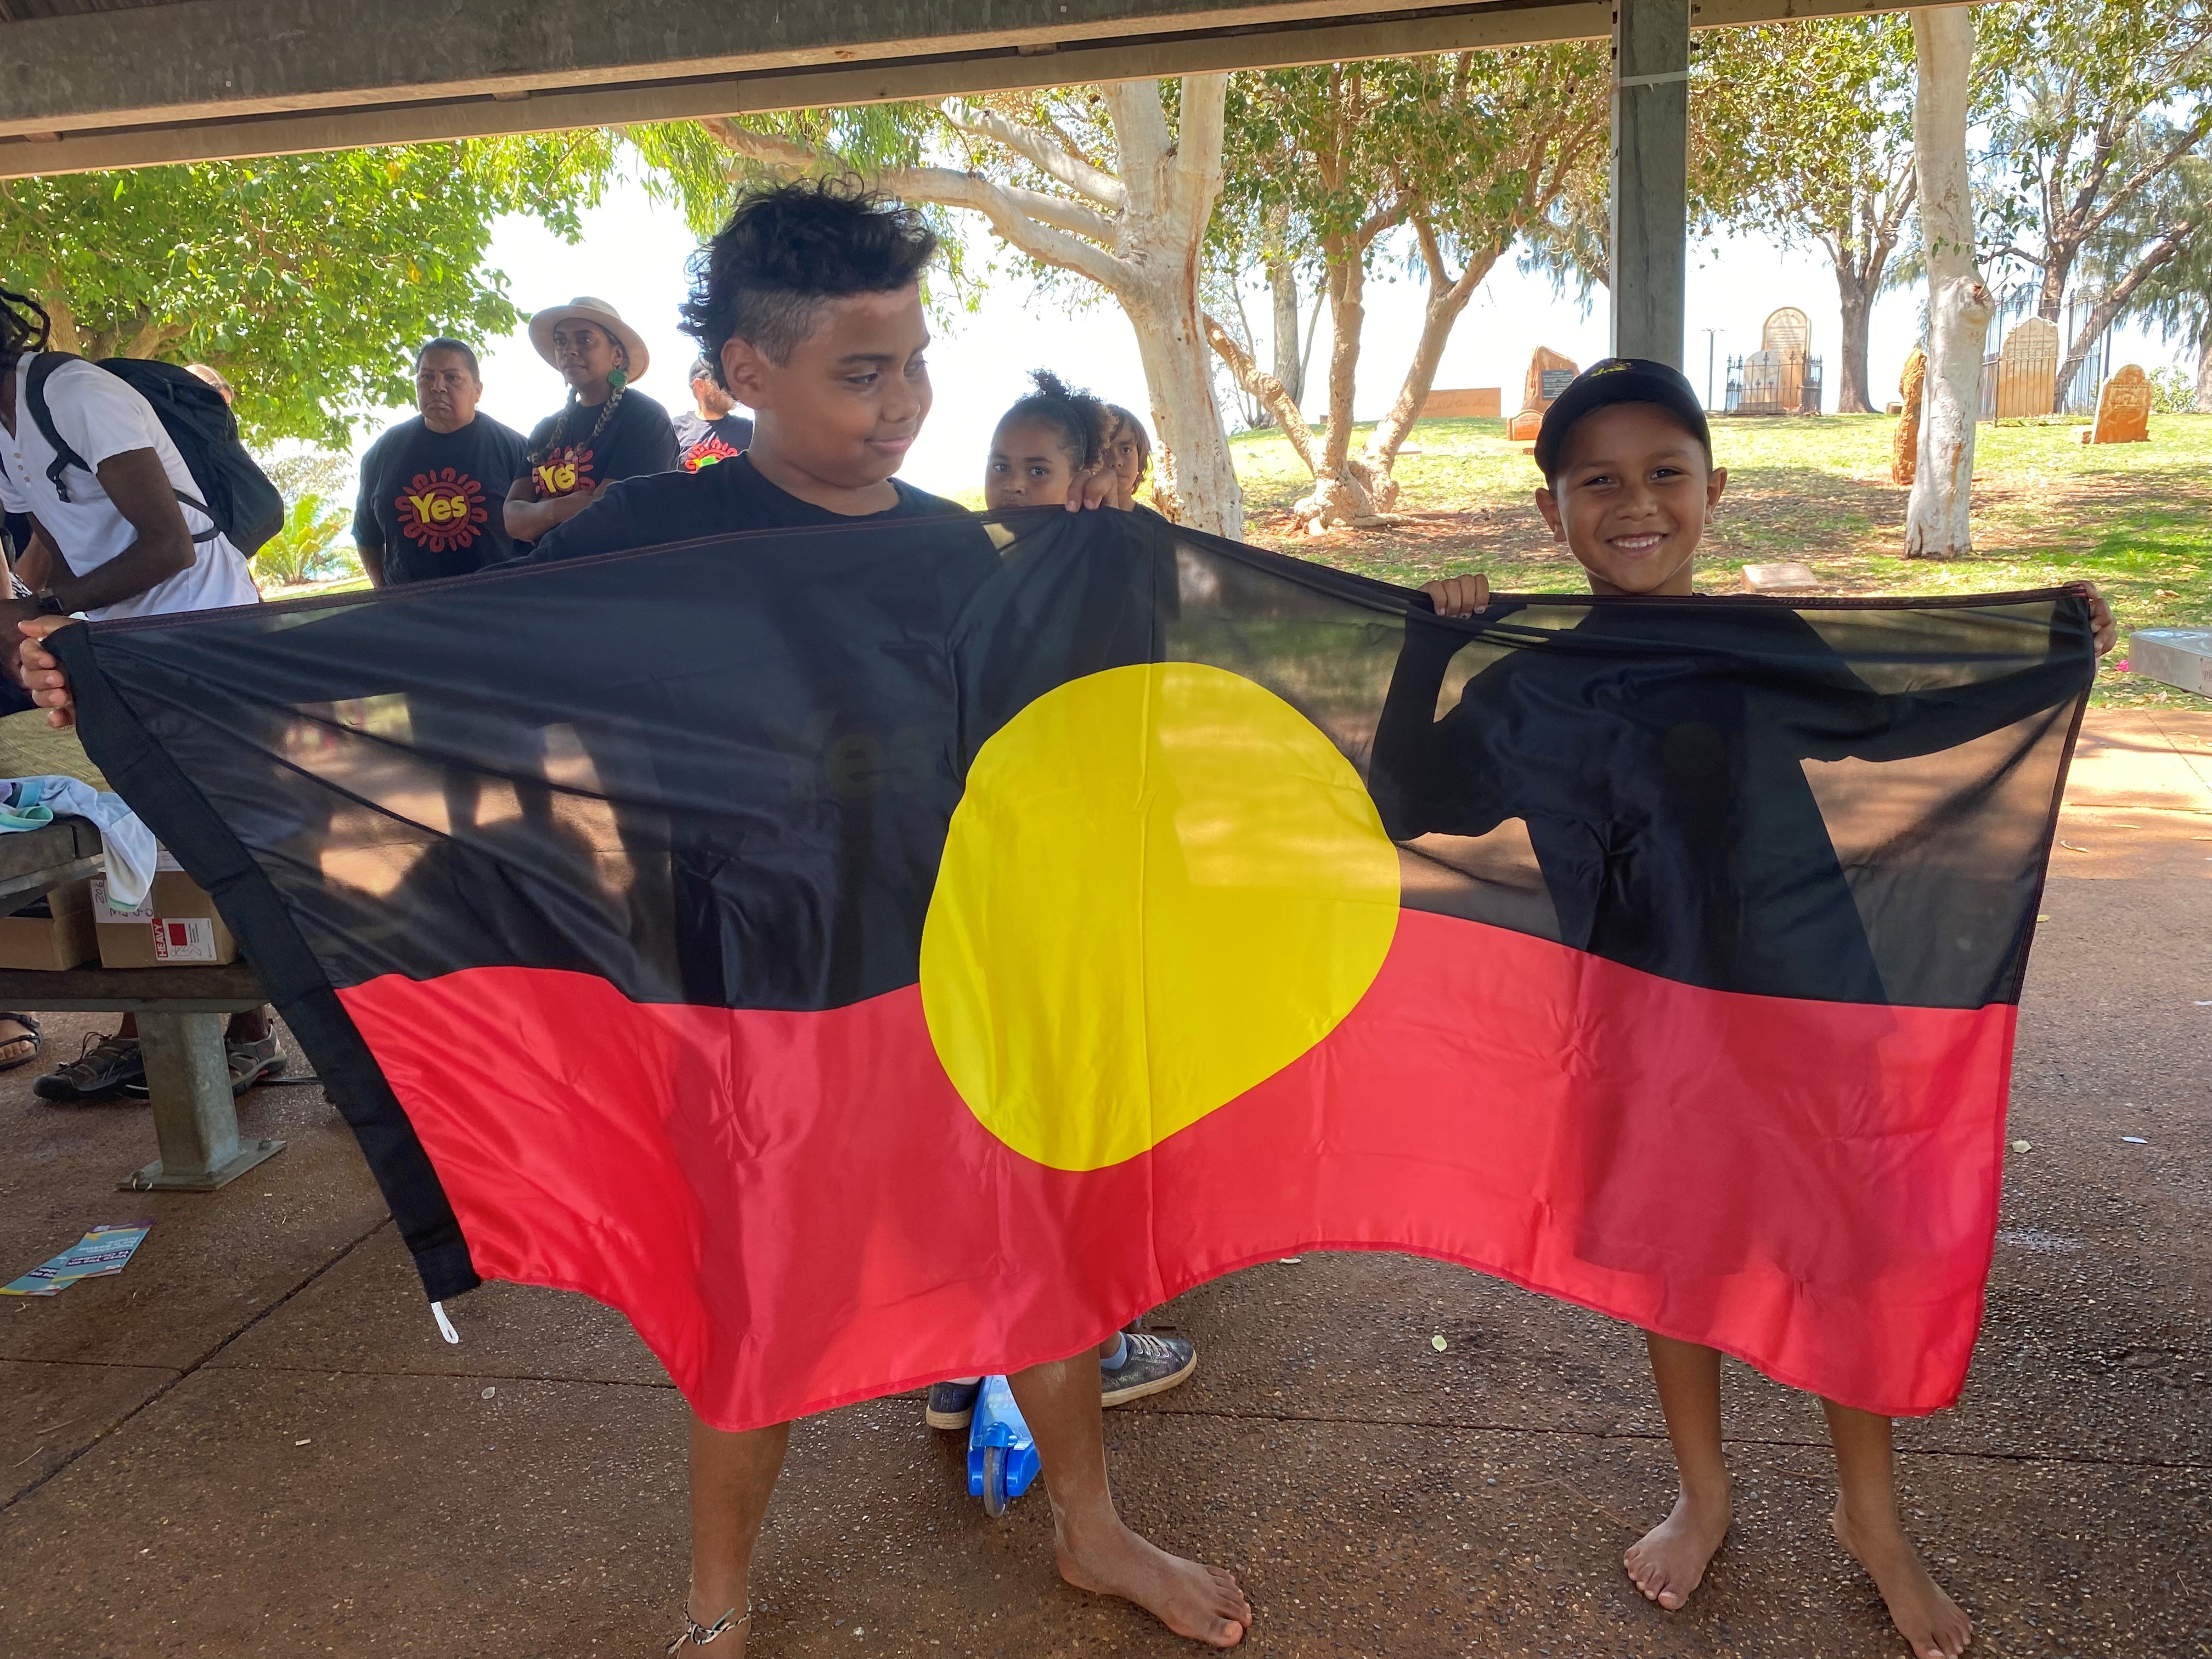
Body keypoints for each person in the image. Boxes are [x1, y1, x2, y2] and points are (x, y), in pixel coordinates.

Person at [513, 182, 1249, 1652]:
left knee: (1040, 1262)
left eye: (916, 360)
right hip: (759, 1006)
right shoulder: (646, 536)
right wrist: (121, 685)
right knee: (759, 1313)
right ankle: (718, 1603)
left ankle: (1092, 1532)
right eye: (863, 372)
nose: (906, 401)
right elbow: (406, 663)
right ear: (741, 374)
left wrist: (1107, 576)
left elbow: (1067, 741)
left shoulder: (954, 553)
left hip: (962, 981)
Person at [1389, 358, 2117, 1659]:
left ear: (1714, 491)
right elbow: (1410, 801)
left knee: (1850, 1250)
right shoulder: (1532, 684)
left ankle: (1871, 1516)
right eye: (1596, 481)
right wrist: (1426, 647)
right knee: (1677, 1258)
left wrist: (2044, 649)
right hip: (1643, 1026)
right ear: (1551, 511)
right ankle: (1703, 1493)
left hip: (1809, 1004)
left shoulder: (1753, 644)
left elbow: (1888, 725)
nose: (1635, 503)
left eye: (1665, 472)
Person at [0, 285, 283, 1101]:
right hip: (125, 642)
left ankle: (252, 1031)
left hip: (200, 631)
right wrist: (22, 594)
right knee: (162, 832)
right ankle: (159, 1031)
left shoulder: (79, 394)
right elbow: (53, 522)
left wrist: (47, 610)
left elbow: (168, 548)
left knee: (224, 834)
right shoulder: (9, 425)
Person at [503, 297, 678, 549]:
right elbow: (512, 520)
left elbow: (612, 515)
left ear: (617, 355)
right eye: (561, 341)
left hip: (615, 580)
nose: (569, 349)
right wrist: (561, 508)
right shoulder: (546, 430)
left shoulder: (645, 418)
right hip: (546, 579)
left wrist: (538, 512)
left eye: (584, 339)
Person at [353, 338, 529, 586]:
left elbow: (538, 532)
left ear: (477, 391)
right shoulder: (382, 453)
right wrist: (384, 594)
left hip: (497, 605)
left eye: (452, 378)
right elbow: (366, 535)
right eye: (427, 377)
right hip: (412, 613)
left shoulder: (517, 450)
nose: (438, 387)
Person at [981, 369, 1114, 511]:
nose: (1013, 486)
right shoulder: (966, 532)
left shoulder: (1101, 532)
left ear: (1078, 479)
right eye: (1001, 467)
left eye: (1038, 471)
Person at [673, 355, 755, 472]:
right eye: (722, 382)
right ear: (700, 385)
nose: (730, 387)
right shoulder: (674, 430)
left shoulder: (751, 431)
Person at [1101, 404, 1153, 513]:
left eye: (1126, 450)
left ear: (1140, 456)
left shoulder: (1155, 527)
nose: (1116, 462)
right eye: (1104, 452)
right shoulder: (1073, 522)